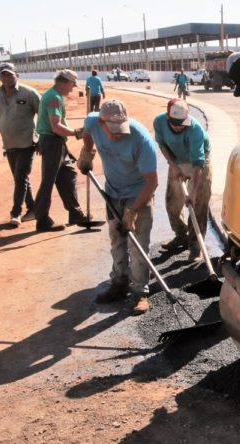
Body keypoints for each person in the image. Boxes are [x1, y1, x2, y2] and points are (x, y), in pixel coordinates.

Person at [76, 100, 158, 315]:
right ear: (102, 122)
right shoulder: (93, 122)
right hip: (113, 192)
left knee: (138, 244)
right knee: (116, 238)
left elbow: (152, 182)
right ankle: (119, 283)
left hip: (138, 194)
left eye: (120, 129)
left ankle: (140, 291)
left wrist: (132, 211)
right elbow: (87, 132)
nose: (117, 135)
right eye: (112, 130)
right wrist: (87, 151)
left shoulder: (140, 139)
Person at [152, 99, 211, 260]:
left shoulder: (195, 129)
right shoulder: (159, 122)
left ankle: (196, 245)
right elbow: (162, 145)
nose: (178, 127)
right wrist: (174, 165)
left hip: (198, 163)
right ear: (167, 117)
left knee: (198, 204)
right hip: (176, 161)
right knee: (172, 202)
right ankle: (181, 234)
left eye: (181, 123)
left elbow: (198, 164)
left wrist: (193, 192)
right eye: (175, 123)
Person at [0, 62, 41, 227]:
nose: (7, 77)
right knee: (21, 179)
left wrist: (40, 138)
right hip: (9, 144)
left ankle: (15, 212)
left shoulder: (29, 93)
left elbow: (43, 115)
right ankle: (33, 208)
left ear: (17, 75)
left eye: (10, 74)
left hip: (27, 143)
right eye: (3, 75)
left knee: (20, 178)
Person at [34, 69, 88, 232]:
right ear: (65, 81)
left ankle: (75, 212)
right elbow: (55, 126)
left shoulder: (53, 95)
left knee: (68, 175)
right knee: (48, 181)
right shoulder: (53, 98)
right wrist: (76, 133)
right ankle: (42, 219)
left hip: (56, 142)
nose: (72, 89)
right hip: (52, 142)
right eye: (72, 85)